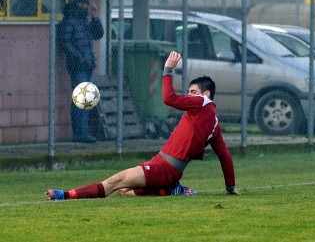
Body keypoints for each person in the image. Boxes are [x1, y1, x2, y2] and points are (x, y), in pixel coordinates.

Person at [46, 51, 239, 200]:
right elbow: (224, 156)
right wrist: (230, 187)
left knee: (114, 182)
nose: (189, 95)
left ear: (205, 95)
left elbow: (168, 98)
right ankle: (169, 189)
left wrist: (168, 70)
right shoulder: (214, 123)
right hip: (162, 165)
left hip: (165, 169)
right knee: (124, 190)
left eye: (193, 91)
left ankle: (65, 195)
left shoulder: (203, 103)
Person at [60, 0, 104, 143]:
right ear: (78, 3)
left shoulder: (85, 21)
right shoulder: (70, 21)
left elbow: (99, 34)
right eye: (84, 4)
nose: (86, 7)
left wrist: (95, 17)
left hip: (88, 65)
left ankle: (83, 132)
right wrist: (79, 57)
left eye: (87, 4)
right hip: (78, 66)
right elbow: (65, 43)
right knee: (80, 100)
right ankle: (80, 133)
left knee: (86, 100)